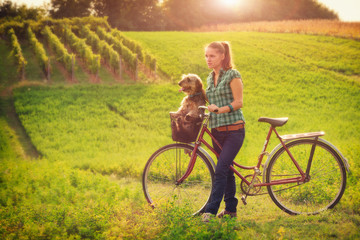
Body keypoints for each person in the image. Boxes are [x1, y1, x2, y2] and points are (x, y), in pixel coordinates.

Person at [202, 41, 245, 222]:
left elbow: (239, 102)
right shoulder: (210, 78)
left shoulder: (232, 75)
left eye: (212, 56)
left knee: (220, 169)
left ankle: (210, 211)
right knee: (227, 170)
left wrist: (220, 109)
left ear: (222, 56)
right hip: (216, 131)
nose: (208, 59)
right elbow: (207, 103)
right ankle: (230, 210)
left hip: (234, 131)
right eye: (206, 56)